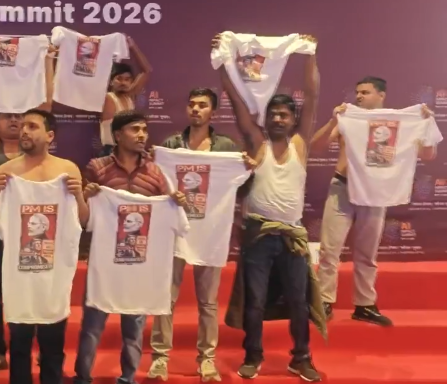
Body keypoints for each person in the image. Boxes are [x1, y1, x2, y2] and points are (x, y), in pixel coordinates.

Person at [215, 34, 326, 382]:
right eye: (273, 114)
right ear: (266, 118)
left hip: (292, 237)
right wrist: (222, 63)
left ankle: (301, 358)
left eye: (284, 114)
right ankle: (253, 355)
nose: (278, 118)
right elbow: (236, 101)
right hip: (258, 236)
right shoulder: (256, 141)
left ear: (293, 119)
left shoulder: (300, 143)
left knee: (298, 301)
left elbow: (313, 96)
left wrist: (309, 55)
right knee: (255, 301)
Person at [310, 77, 436, 326]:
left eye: (365, 92)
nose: (358, 96)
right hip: (342, 187)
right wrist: (334, 120)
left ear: (381, 95)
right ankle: (323, 301)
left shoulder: (400, 123)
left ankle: (364, 304)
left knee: (367, 253)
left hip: (376, 190)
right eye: (357, 92)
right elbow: (316, 147)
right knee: (329, 250)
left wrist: (426, 124)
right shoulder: (348, 117)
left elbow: (429, 155)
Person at [75, 111, 186, 384]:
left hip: (139, 262)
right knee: (92, 325)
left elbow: (165, 212)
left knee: (134, 328)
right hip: (104, 261)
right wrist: (85, 197)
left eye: (145, 130)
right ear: (117, 135)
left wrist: (174, 202)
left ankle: (128, 378)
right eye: (135, 129)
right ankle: (82, 377)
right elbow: (83, 219)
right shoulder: (97, 168)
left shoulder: (155, 172)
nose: (142, 135)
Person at [0, 43, 56, 376]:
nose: (15, 120)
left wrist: (47, 60)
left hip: (32, 235)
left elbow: (45, 104)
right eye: (7, 116)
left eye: (20, 116)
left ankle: (37, 348)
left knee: (35, 290)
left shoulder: (38, 151)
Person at [147, 88, 243, 381]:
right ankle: (160, 358)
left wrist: (247, 167)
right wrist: (154, 162)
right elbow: (157, 184)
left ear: (213, 111)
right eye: (191, 104)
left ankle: (207, 359)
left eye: (202, 105)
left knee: (208, 302)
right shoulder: (171, 145)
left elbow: (241, 186)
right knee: (166, 298)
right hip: (174, 230)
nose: (195, 109)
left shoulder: (226, 147)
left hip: (211, 232)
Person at [0, 109, 88, 384]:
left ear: (50, 135)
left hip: (53, 278)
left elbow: (82, 221)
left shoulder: (67, 171)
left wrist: (78, 195)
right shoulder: (7, 172)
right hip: (19, 278)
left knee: (53, 349)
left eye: (32, 126)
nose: (24, 131)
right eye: (23, 126)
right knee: (19, 346)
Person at [99, 37, 152, 156]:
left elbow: (147, 71)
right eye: (119, 79)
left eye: (127, 79)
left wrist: (133, 47)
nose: (123, 82)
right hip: (112, 152)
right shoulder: (108, 98)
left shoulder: (129, 97)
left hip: (128, 150)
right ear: (111, 81)